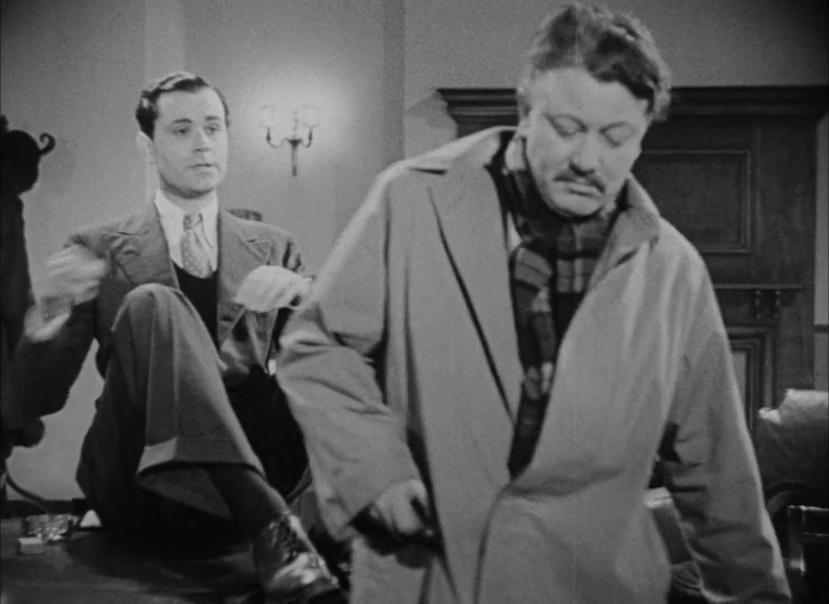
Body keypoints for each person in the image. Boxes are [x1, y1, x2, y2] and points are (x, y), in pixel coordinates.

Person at [276, 4, 790, 603]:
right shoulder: (410, 199)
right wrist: (373, 472)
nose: (588, 160)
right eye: (567, 128)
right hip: (429, 581)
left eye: (616, 137)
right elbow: (319, 347)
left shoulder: (675, 273)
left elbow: (718, 475)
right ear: (525, 113)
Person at [1, 72, 342, 602]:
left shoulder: (276, 247)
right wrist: (53, 311)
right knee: (152, 303)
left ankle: (263, 510)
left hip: (262, 455)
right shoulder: (97, 246)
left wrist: (304, 295)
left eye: (213, 127)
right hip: (141, 477)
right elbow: (34, 399)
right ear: (147, 145)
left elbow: (329, 367)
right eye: (182, 129)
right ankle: (270, 522)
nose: (203, 143)